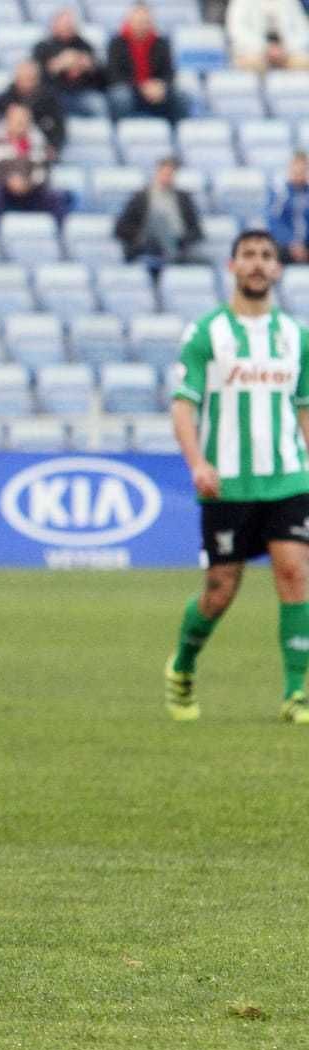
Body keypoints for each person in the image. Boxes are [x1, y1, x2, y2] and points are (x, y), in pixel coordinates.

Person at [165, 230, 309, 724]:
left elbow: (305, 408)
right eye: (248, 255)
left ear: (277, 269)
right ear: (232, 266)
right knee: (221, 590)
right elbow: (184, 406)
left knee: (294, 575)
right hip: (227, 484)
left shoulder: (297, 337)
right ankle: (183, 666)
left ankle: (296, 693)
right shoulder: (207, 333)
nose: (257, 264)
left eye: (266, 256)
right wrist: (197, 464)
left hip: (288, 478)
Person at [0, 101, 68, 222]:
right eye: (16, 119)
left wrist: (28, 184)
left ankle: (60, 237)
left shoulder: (39, 143)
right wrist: (8, 182)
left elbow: (43, 172)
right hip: (3, 192)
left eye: (24, 120)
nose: (20, 123)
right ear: (8, 120)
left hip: (32, 192)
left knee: (56, 197)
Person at [113, 156, 204, 271]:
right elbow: (121, 228)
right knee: (158, 219)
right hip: (146, 246)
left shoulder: (183, 199)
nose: (166, 177)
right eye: (164, 173)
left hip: (177, 243)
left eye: (170, 174)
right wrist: (139, 238)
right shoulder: (140, 197)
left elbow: (197, 231)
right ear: (157, 173)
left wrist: (182, 240)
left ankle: (170, 251)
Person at [107, 3, 187, 122]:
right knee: (120, 96)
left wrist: (161, 85)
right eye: (138, 21)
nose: (142, 25)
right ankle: (120, 131)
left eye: (145, 21)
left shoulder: (161, 43)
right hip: (131, 89)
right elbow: (114, 75)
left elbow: (169, 72)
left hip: (156, 91)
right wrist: (141, 87)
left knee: (181, 97)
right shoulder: (117, 43)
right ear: (129, 22)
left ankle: (175, 134)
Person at [0, 59, 67, 153]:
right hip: (11, 142)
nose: (26, 82)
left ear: (37, 79)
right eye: (22, 78)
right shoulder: (10, 94)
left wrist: (54, 145)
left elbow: (58, 125)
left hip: (37, 142)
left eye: (30, 78)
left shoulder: (48, 98)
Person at [32, 7, 108, 118]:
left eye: (70, 24)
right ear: (54, 26)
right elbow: (34, 77)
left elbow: (103, 78)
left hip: (82, 92)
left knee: (98, 103)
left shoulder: (85, 45)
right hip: (55, 94)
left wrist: (90, 66)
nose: (68, 27)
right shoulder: (43, 47)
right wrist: (57, 65)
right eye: (64, 24)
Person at [227, 0, 309, 72]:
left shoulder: (291, 2)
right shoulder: (241, 2)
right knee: (253, 63)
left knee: (304, 63)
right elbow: (236, 30)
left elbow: (303, 31)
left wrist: (284, 49)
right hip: (254, 52)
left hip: (286, 53)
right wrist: (266, 48)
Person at [268, 151, 309, 265]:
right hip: (285, 245)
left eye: (303, 170)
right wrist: (292, 242)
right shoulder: (280, 193)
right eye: (296, 170)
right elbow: (274, 222)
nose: (299, 174)